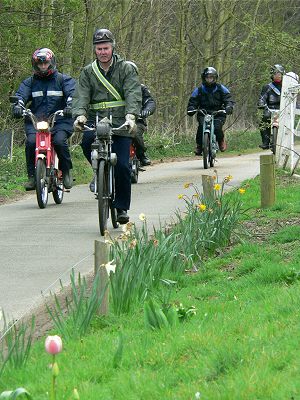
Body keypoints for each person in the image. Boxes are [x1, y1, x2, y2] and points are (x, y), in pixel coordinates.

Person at [72, 28, 142, 224]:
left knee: (122, 165)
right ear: (95, 50)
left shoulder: (126, 68)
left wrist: (131, 116)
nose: (103, 52)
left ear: (113, 48)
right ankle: (98, 171)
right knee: (86, 142)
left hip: (120, 122)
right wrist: (80, 116)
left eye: (106, 48)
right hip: (96, 120)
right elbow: (81, 96)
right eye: (99, 48)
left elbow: (133, 93)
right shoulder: (87, 72)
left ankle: (121, 207)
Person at [12, 47, 76, 190]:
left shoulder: (63, 80)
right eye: (39, 64)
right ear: (35, 64)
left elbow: (73, 94)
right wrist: (17, 106)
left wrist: (70, 106)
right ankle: (32, 177)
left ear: (51, 62)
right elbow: (20, 96)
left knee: (59, 141)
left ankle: (66, 171)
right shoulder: (30, 82)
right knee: (30, 142)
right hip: (36, 121)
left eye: (45, 63)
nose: (42, 66)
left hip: (60, 120)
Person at [187, 67, 234, 155]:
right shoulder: (199, 90)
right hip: (203, 112)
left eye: (211, 77)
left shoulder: (221, 88)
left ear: (215, 78)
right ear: (204, 78)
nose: (209, 79)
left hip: (218, 112)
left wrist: (228, 107)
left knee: (217, 128)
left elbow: (229, 99)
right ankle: (199, 146)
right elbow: (192, 102)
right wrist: (191, 108)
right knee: (201, 127)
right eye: (207, 77)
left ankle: (221, 141)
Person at [126, 61, 156, 166]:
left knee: (135, 133)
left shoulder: (141, 88)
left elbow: (150, 101)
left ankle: (141, 155)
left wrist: (147, 110)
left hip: (138, 120)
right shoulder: (116, 88)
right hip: (119, 120)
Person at [257, 64, 285, 149]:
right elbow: (262, 98)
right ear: (272, 75)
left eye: (279, 74)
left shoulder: (286, 86)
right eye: (275, 74)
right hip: (270, 109)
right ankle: (266, 142)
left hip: (284, 109)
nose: (278, 76)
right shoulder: (267, 87)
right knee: (264, 118)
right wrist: (261, 103)